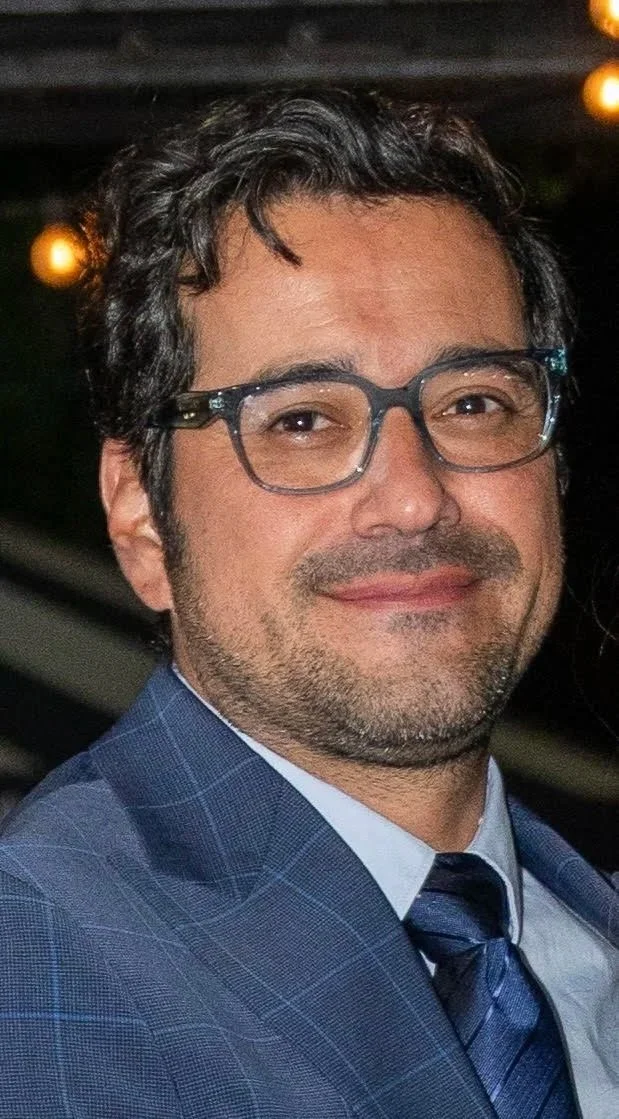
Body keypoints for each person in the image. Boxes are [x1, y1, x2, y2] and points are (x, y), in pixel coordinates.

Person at [0, 89, 615, 1119]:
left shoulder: (587, 943)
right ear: (143, 515)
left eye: (472, 403)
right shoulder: (40, 967)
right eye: (299, 422)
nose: (413, 494)